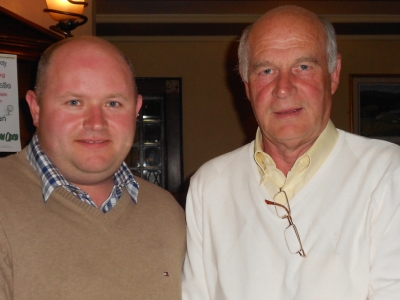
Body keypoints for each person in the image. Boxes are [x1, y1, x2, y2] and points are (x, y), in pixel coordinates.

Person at [182, 5, 400, 299]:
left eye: (304, 67)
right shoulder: (209, 186)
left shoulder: (387, 173)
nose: (283, 88)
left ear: (333, 75)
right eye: (266, 70)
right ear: (247, 86)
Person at [0, 36, 186, 300]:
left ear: (136, 109)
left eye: (113, 103)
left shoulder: (168, 214)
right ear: (36, 108)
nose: (96, 123)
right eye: (74, 102)